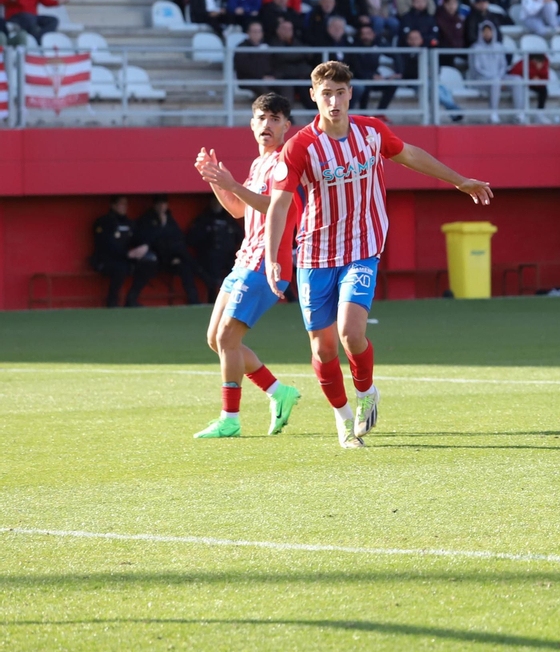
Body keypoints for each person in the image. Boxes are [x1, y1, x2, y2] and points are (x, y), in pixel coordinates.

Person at [262, 61, 491, 446]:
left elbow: (411, 155)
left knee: (351, 334)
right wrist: (273, 256)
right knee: (323, 348)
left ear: (350, 93)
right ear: (313, 96)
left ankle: (366, 392)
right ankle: (342, 417)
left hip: (362, 249)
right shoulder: (300, 146)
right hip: (316, 255)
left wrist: (459, 181)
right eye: (326, 94)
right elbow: (279, 205)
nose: (333, 101)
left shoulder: (371, 132)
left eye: (340, 92)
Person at [190, 93, 306, 439]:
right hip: (245, 259)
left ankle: (230, 419)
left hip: (267, 262)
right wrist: (216, 180)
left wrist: (233, 185)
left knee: (226, 337)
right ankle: (277, 392)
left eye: (274, 119)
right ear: (252, 124)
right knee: (216, 339)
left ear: (287, 126)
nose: (266, 125)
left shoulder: (285, 161)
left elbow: (277, 207)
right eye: (261, 118)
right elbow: (240, 210)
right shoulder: (259, 164)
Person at [135, 195, 203, 305]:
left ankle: (194, 299)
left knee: (186, 267)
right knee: (144, 268)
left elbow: (178, 238)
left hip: (172, 258)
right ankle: (131, 300)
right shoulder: (147, 220)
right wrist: (161, 226)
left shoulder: (169, 219)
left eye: (164, 204)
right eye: (159, 204)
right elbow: (148, 240)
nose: (162, 207)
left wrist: (175, 257)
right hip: (155, 258)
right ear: (155, 205)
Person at [91, 196, 156, 307]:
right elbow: (107, 244)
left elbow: (139, 237)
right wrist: (126, 254)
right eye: (121, 204)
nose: (124, 207)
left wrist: (145, 246)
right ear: (113, 206)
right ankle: (112, 302)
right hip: (106, 260)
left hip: (126, 259)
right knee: (120, 267)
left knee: (150, 261)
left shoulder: (130, 223)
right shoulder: (104, 222)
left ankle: (132, 299)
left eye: (126, 204)